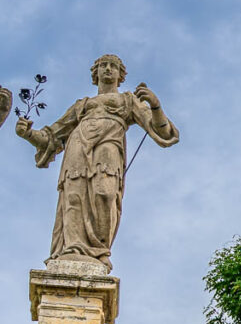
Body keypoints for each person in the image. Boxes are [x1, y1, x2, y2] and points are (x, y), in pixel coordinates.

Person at [15, 54, 179, 272]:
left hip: (108, 147)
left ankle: (98, 251)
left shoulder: (128, 100)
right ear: (96, 72)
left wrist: (155, 105)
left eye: (113, 66)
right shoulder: (82, 105)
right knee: (74, 196)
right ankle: (72, 248)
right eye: (103, 65)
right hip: (77, 146)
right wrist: (28, 134)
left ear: (121, 75)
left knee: (105, 193)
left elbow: (164, 132)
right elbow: (52, 136)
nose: (108, 69)